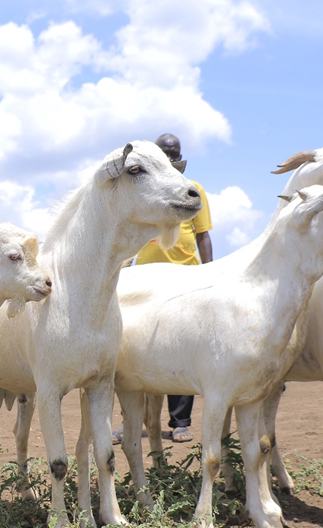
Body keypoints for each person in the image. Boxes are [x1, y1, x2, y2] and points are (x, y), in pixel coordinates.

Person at [112, 132, 213, 444]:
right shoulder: (145, 191)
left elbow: (203, 235)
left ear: (180, 159)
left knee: (182, 347)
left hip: (185, 278)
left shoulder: (192, 190)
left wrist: (208, 274)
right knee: (136, 349)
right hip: (145, 279)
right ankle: (132, 419)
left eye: (174, 153)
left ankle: (180, 421)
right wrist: (123, 269)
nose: (169, 158)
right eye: (164, 153)